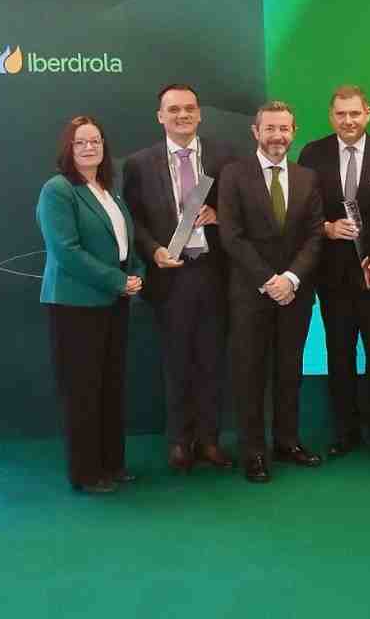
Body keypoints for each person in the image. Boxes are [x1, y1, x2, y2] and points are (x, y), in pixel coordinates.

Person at [123, 84, 236, 473]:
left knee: (212, 362)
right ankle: (178, 442)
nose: (182, 115)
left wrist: (220, 215)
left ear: (200, 114)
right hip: (170, 277)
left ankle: (209, 440)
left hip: (215, 273)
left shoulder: (224, 156)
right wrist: (153, 250)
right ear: (160, 116)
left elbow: (243, 208)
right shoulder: (139, 163)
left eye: (189, 108)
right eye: (173, 110)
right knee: (176, 363)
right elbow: (132, 221)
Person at [37, 116, 146, 493]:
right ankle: (86, 473)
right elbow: (66, 252)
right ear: (68, 148)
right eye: (80, 142)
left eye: (95, 141)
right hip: (75, 306)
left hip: (112, 304)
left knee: (111, 387)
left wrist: (137, 274)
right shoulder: (58, 190)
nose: (89, 147)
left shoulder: (108, 190)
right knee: (82, 391)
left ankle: (112, 465)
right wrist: (119, 281)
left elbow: (125, 245)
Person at [219, 101, 325, 483]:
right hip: (251, 293)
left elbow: (315, 236)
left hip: (295, 294)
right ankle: (254, 452)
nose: (277, 136)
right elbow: (231, 235)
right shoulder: (233, 175)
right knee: (250, 374)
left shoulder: (307, 178)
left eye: (284, 129)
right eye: (270, 129)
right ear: (256, 132)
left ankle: (287, 441)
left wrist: (291, 279)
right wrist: (269, 280)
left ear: (293, 132)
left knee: (289, 371)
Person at [297, 85, 370, 459]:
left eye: (354, 113)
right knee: (338, 353)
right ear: (332, 116)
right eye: (341, 114)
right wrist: (326, 228)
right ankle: (345, 431)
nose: (348, 121)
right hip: (332, 274)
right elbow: (300, 212)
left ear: (367, 114)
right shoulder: (312, 153)